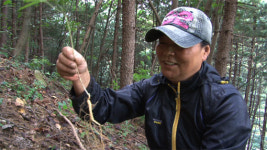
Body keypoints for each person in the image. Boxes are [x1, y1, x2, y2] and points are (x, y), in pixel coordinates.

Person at [56, 7, 251, 150]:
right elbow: (103, 108)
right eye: (163, 43)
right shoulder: (154, 88)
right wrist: (81, 77)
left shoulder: (225, 103)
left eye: (180, 45)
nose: (168, 53)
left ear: (205, 51)